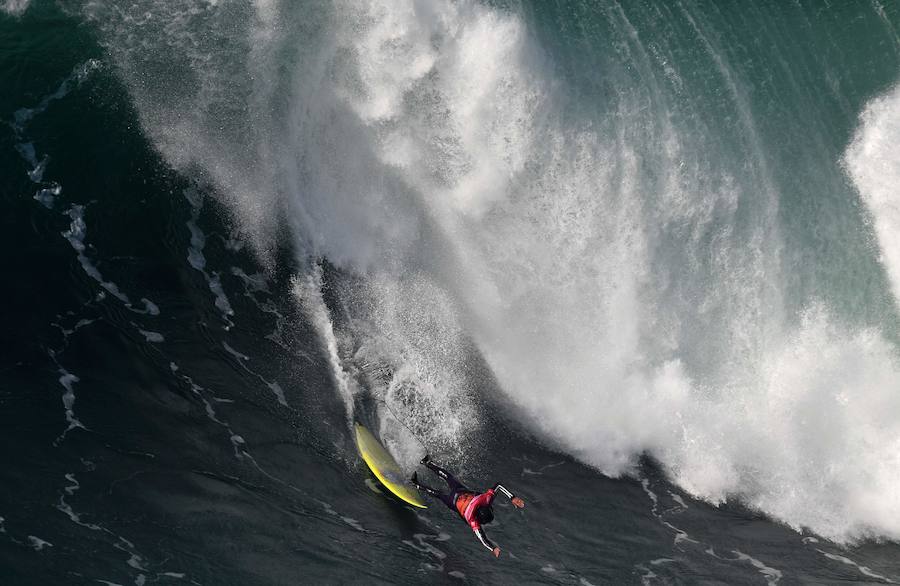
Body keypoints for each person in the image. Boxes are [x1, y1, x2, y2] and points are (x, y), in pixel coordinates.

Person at [411, 455, 525, 557]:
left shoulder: (485, 500)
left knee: (447, 478)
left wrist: (512, 497)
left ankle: (427, 463)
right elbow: (482, 539)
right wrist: (493, 548)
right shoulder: (473, 520)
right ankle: (417, 484)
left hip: (459, 492)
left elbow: (499, 485)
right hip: (454, 501)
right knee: (439, 494)